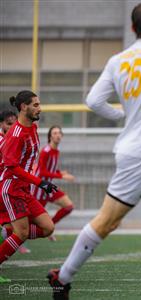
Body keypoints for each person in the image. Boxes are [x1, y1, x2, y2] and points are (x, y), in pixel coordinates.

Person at [47, 3, 141, 300]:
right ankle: (61, 277)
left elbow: (93, 100)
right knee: (107, 221)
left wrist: (122, 115)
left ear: (132, 28)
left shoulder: (118, 59)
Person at [0, 90, 58, 266]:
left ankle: (11, 231)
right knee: (22, 233)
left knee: (48, 228)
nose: (40, 108)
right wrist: (40, 182)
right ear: (24, 107)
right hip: (12, 189)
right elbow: (12, 168)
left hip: (24, 189)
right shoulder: (15, 135)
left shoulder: (33, 127)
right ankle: (12, 233)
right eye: (36, 105)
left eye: (39, 104)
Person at [31, 125, 75, 241]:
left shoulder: (56, 151)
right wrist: (61, 176)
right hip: (40, 188)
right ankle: (15, 240)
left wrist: (60, 172)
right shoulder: (45, 151)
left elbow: (50, 169)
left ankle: (50, 227)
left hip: (49, 188)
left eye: (59, 133)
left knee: (69, 207)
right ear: (50, 136)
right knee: (30, 219)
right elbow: (43, 172)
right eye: (55, 133)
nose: (58, 135)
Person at [0, 110, 32, 254]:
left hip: (13, 187)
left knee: (13, 228)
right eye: (8, 124)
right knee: (15, 228)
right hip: (7, 188)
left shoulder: (14, 138)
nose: (12, 127)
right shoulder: (4, 141)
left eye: (14, 124)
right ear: (1, 124)